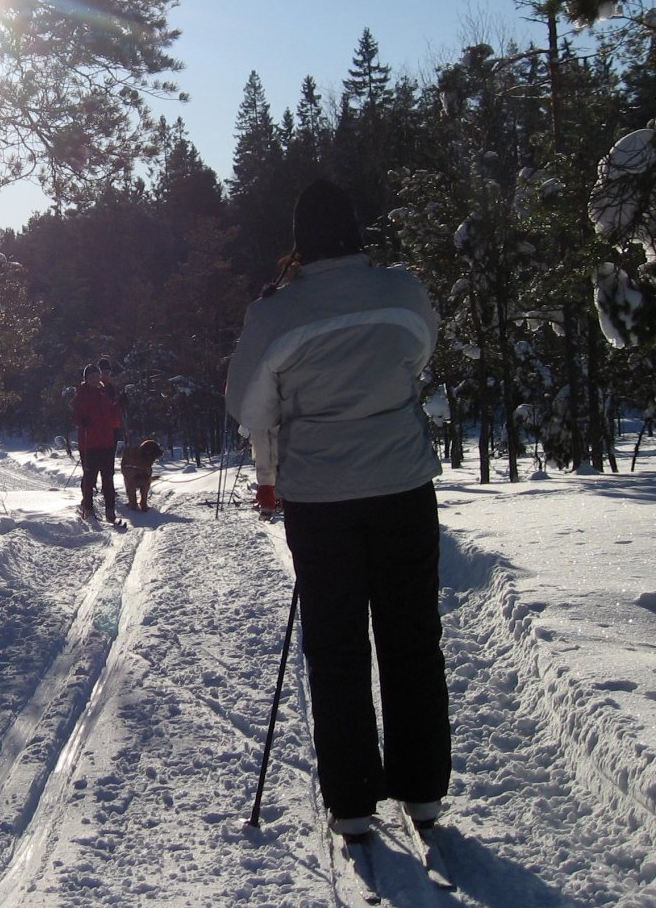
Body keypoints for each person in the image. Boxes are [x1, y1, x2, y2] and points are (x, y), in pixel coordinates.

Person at [225, 177, 450, 840]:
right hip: (403, 485)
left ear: (300, 243)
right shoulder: (401, 290)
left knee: (336, 643)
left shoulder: (276, 313)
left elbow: (248, 409)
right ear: (357, 231)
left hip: (322, 499)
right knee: (411, 636)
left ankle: (352, 801)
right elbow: (419, 356)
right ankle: (423, 791)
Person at [71, 363, 122, 522]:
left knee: (108, 477)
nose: (94, 379)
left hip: (106, 441)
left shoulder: (104, 393)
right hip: (89, 443)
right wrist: (82, 420)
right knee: (90, 476)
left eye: (96, 376)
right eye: (91, 376)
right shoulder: (81, 394)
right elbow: (75, 415)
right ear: (86, 379)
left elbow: (112, 416)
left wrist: (120, 405)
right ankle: (88, 507)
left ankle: (110, 509)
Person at [119, 438, 163, 512]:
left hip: (141, 470)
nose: (153, 460)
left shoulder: (147, 463)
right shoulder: (131, 458)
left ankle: (143, 504)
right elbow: (129, 483)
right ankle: (133, 504)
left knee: (144, 484)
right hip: (131, 471)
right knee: (132, 485)